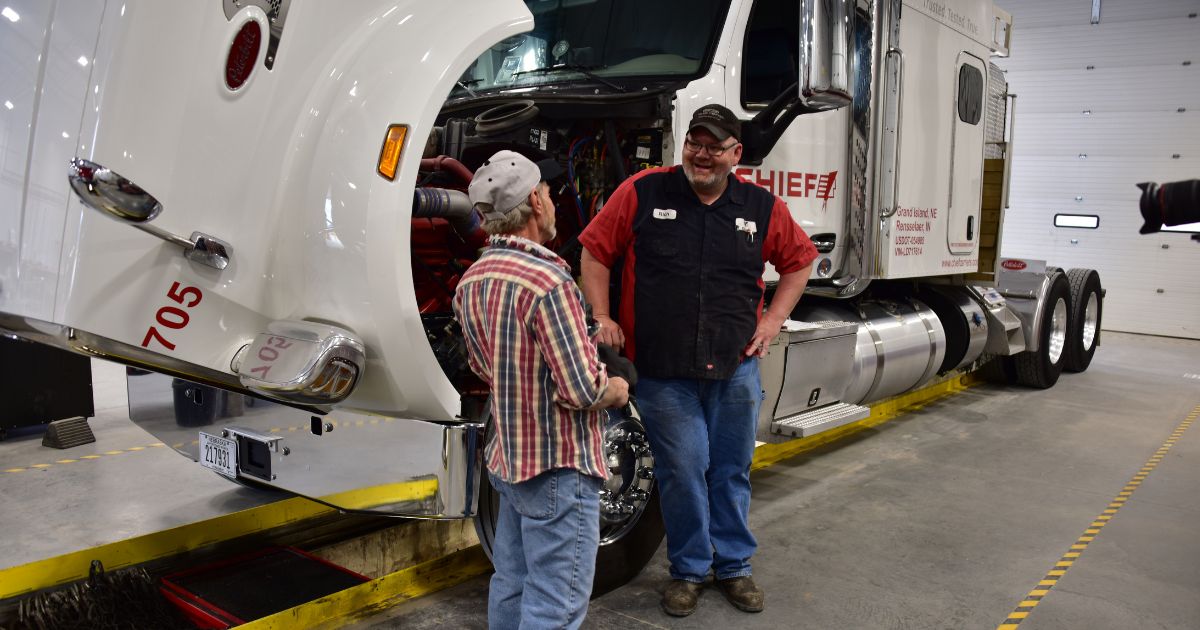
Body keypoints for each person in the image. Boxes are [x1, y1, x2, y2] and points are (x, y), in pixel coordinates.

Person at [578, 104, 817, 617]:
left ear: (735, 154)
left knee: (731, 470)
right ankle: (688, 569)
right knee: (684, 470)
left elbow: (800, 262)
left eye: (714, 146)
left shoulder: (761, 207)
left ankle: (733, 567)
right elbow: (596, 251)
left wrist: (772, 321)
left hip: (735, 367)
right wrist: (601, 315)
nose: (701, 154)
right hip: (662, 372)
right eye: (694, 142)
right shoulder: (642, 191)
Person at [453, 150, 631, 630]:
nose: (552, 201)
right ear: (535, 199)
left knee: (511, 583)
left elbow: (482, 365)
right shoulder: (549, 281)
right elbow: (580, 389)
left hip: (509, 462)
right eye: (549, 193)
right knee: (556, 602)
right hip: (559, 467)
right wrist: (615, 387)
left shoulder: (473, 280)